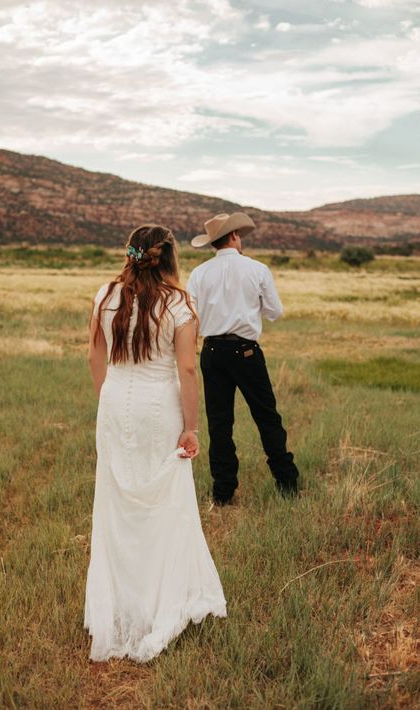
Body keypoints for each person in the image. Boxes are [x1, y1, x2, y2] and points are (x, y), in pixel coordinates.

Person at [84, 224, 226, 663]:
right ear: (169, 259)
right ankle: (159, 603)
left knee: (117, 507)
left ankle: (121, 606)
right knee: (164, 504)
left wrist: (109, 400)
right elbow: (186, 371)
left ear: (132, 254)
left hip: (115, 404)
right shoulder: (179, 304)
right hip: (158, 409)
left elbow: (95, 355)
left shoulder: (105, 296)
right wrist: (191, 427)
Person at [186, 212, 299, 506]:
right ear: (235, 236)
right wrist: (248, 307)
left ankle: (223, 492)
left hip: (211, 352)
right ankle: (287, 483)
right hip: (246, 352)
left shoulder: (199, 274)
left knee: (219, 423)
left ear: (213, 243)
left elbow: (190, 316)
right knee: (266, 417)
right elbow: (275, 312)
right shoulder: (257, 269)